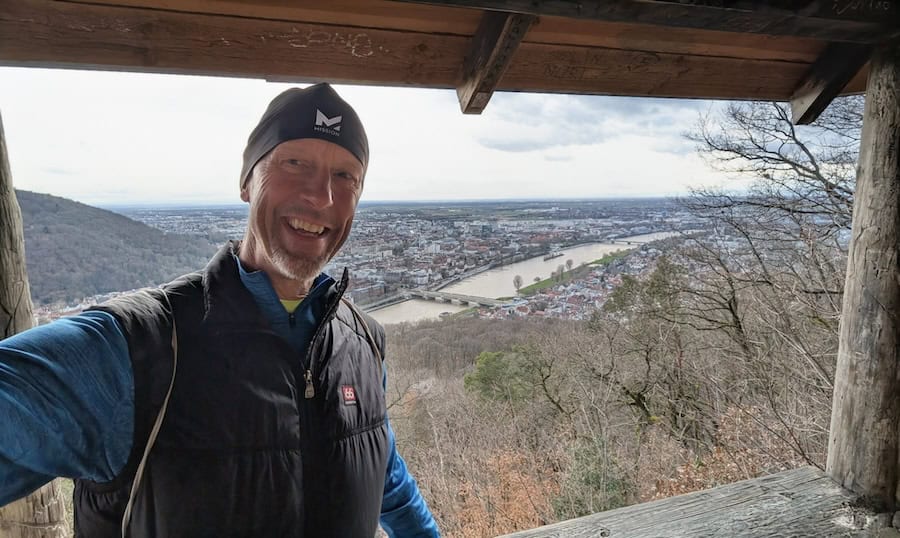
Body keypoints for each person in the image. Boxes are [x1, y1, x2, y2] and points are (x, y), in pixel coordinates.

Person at [0, 83, 440, 537]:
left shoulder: (363, 342)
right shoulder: (139, 351)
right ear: (247, 180)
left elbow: (380, 466)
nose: (322, 195)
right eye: (295, 163)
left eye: (346, 176)